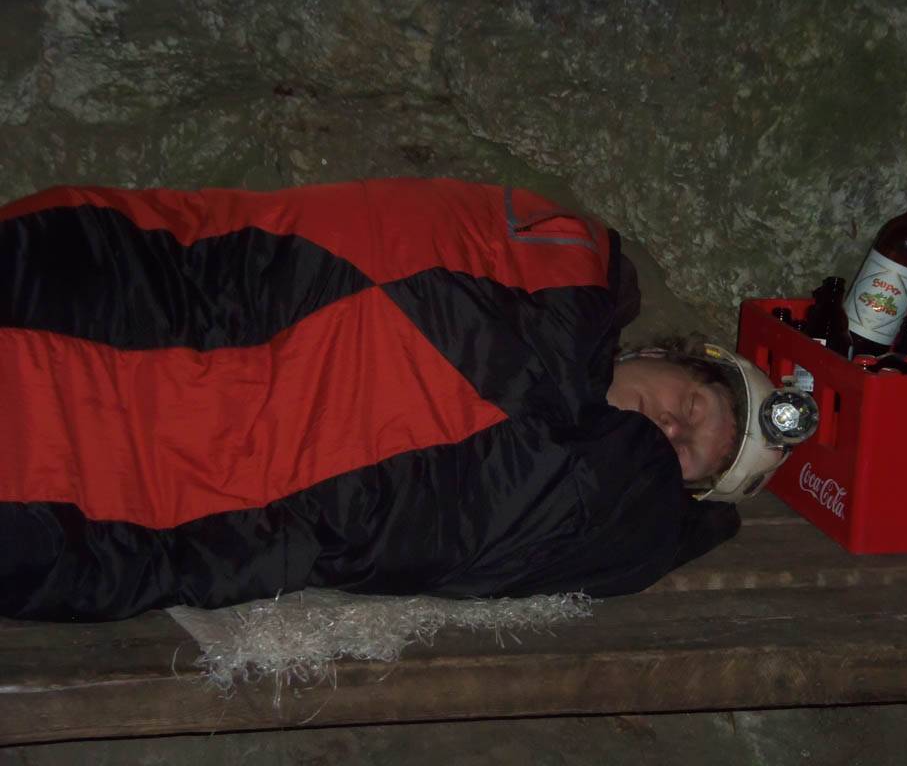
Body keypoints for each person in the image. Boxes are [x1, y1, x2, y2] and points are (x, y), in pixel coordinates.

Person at [0, 178, 814, 621]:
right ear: (662, 356)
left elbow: (449, 518)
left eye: (682, 453)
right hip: (154, 282)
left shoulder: (584, 505)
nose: (668, 425)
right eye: (690, 405)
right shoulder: (556, 272)